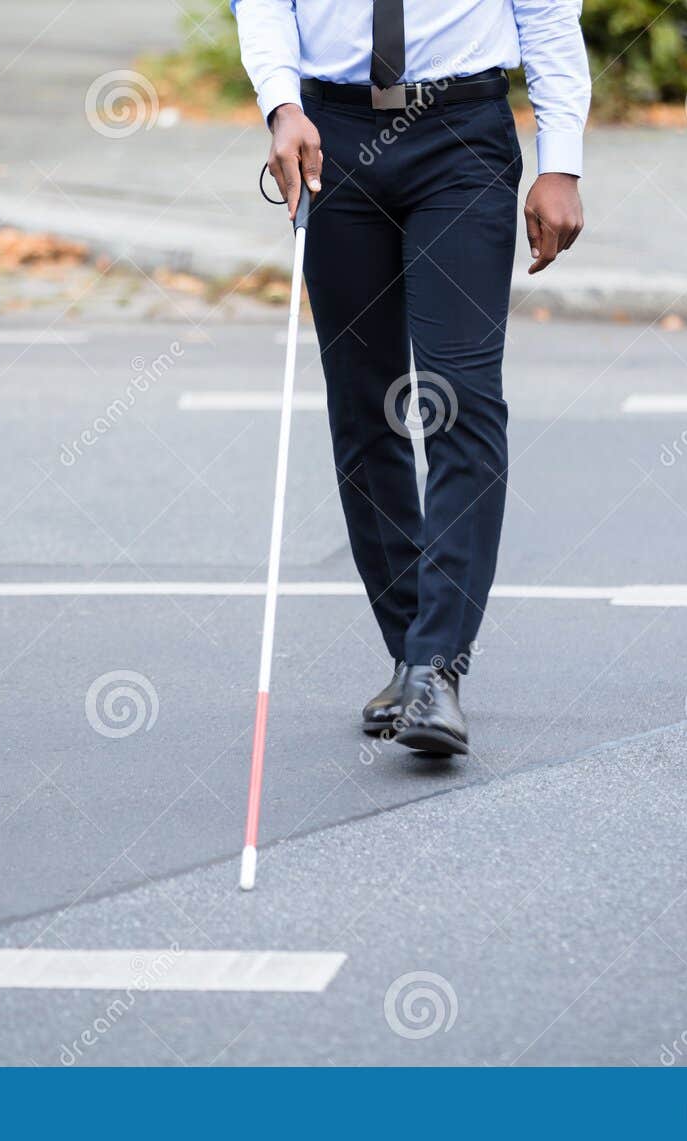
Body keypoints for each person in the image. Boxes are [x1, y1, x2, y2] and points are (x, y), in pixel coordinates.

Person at [231, 0, 590, 755]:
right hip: (331, 135)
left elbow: (549, 15)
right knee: (366, 410)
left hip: (461, 137)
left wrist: (561, 161)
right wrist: (280, 104)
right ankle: (412, 653)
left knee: (459, 398)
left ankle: (436, 667)